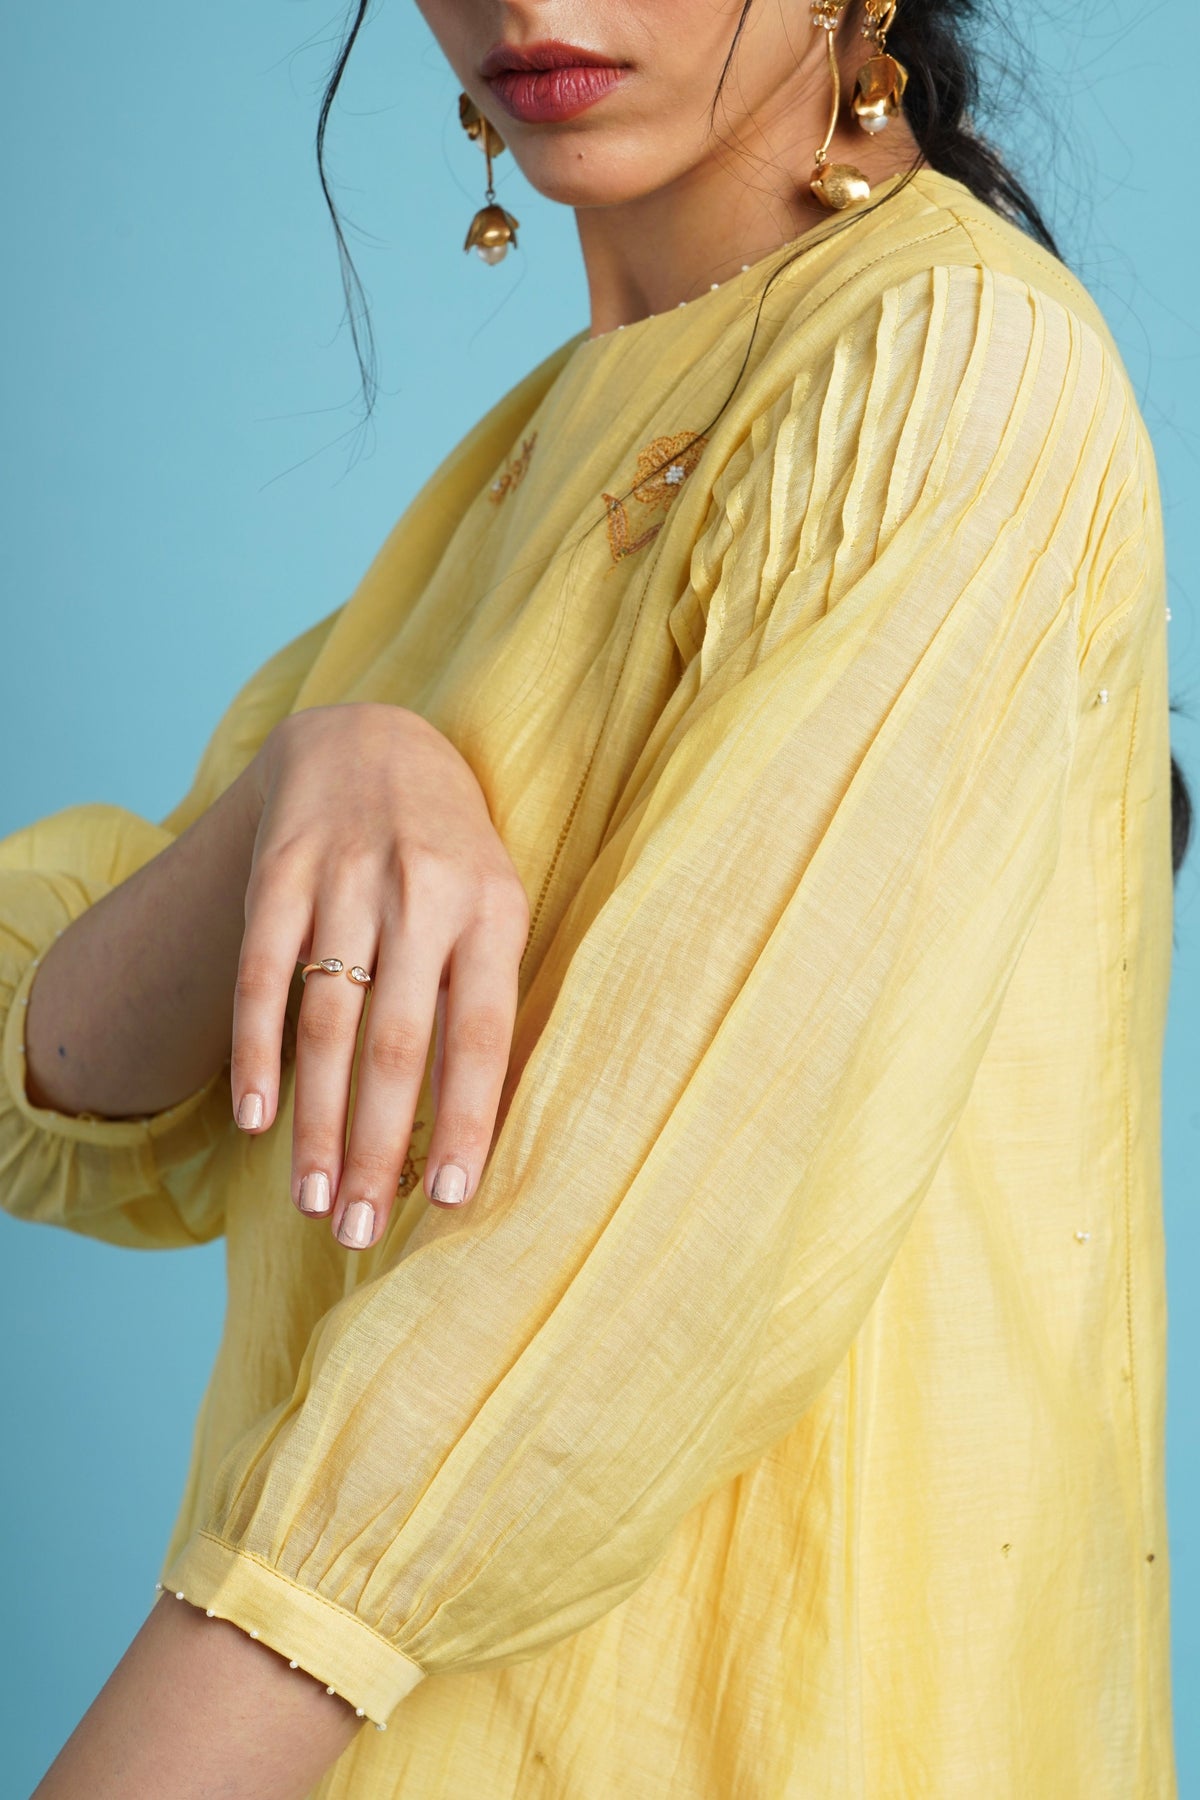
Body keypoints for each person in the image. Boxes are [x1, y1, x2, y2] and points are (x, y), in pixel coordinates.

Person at [5, 1, 1187, 1795]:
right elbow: (58, 1078)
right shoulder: (529, 461)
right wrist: (306, 777)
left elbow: (636, 1263)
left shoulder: (953, 359)